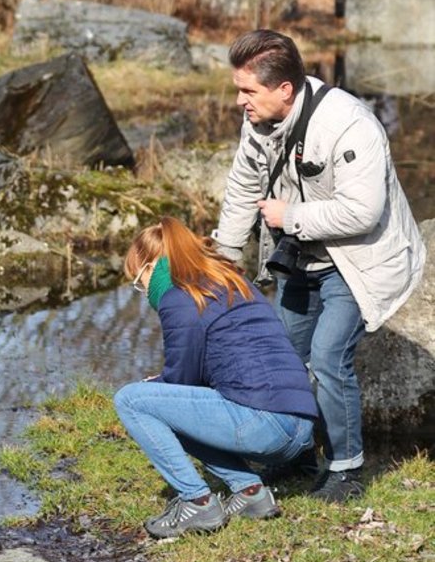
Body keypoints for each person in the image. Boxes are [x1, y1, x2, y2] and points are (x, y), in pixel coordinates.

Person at [213, 29, 425, 501]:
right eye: (238, 90)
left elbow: (364, 212)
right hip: (300, 261)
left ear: (284, 89)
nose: (239, 101)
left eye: (248, 91)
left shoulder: (350, 125)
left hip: (358, 260)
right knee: (286, 359)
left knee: (329, 357)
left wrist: (293, 216)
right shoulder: (258, 124)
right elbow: (242, 187)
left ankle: (346, 468)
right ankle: (295, 454)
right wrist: (226, 260)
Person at [115, 217, 318, 539]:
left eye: (140, 279)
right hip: (301, 426)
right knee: (168, 403)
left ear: (153, 266)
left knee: (131, 400)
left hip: (264, 424)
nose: (142, 289)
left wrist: (155, 386)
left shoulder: (179, 295)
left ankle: (197, 502)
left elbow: (181, 379)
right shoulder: (229, 279)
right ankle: (251, 493)